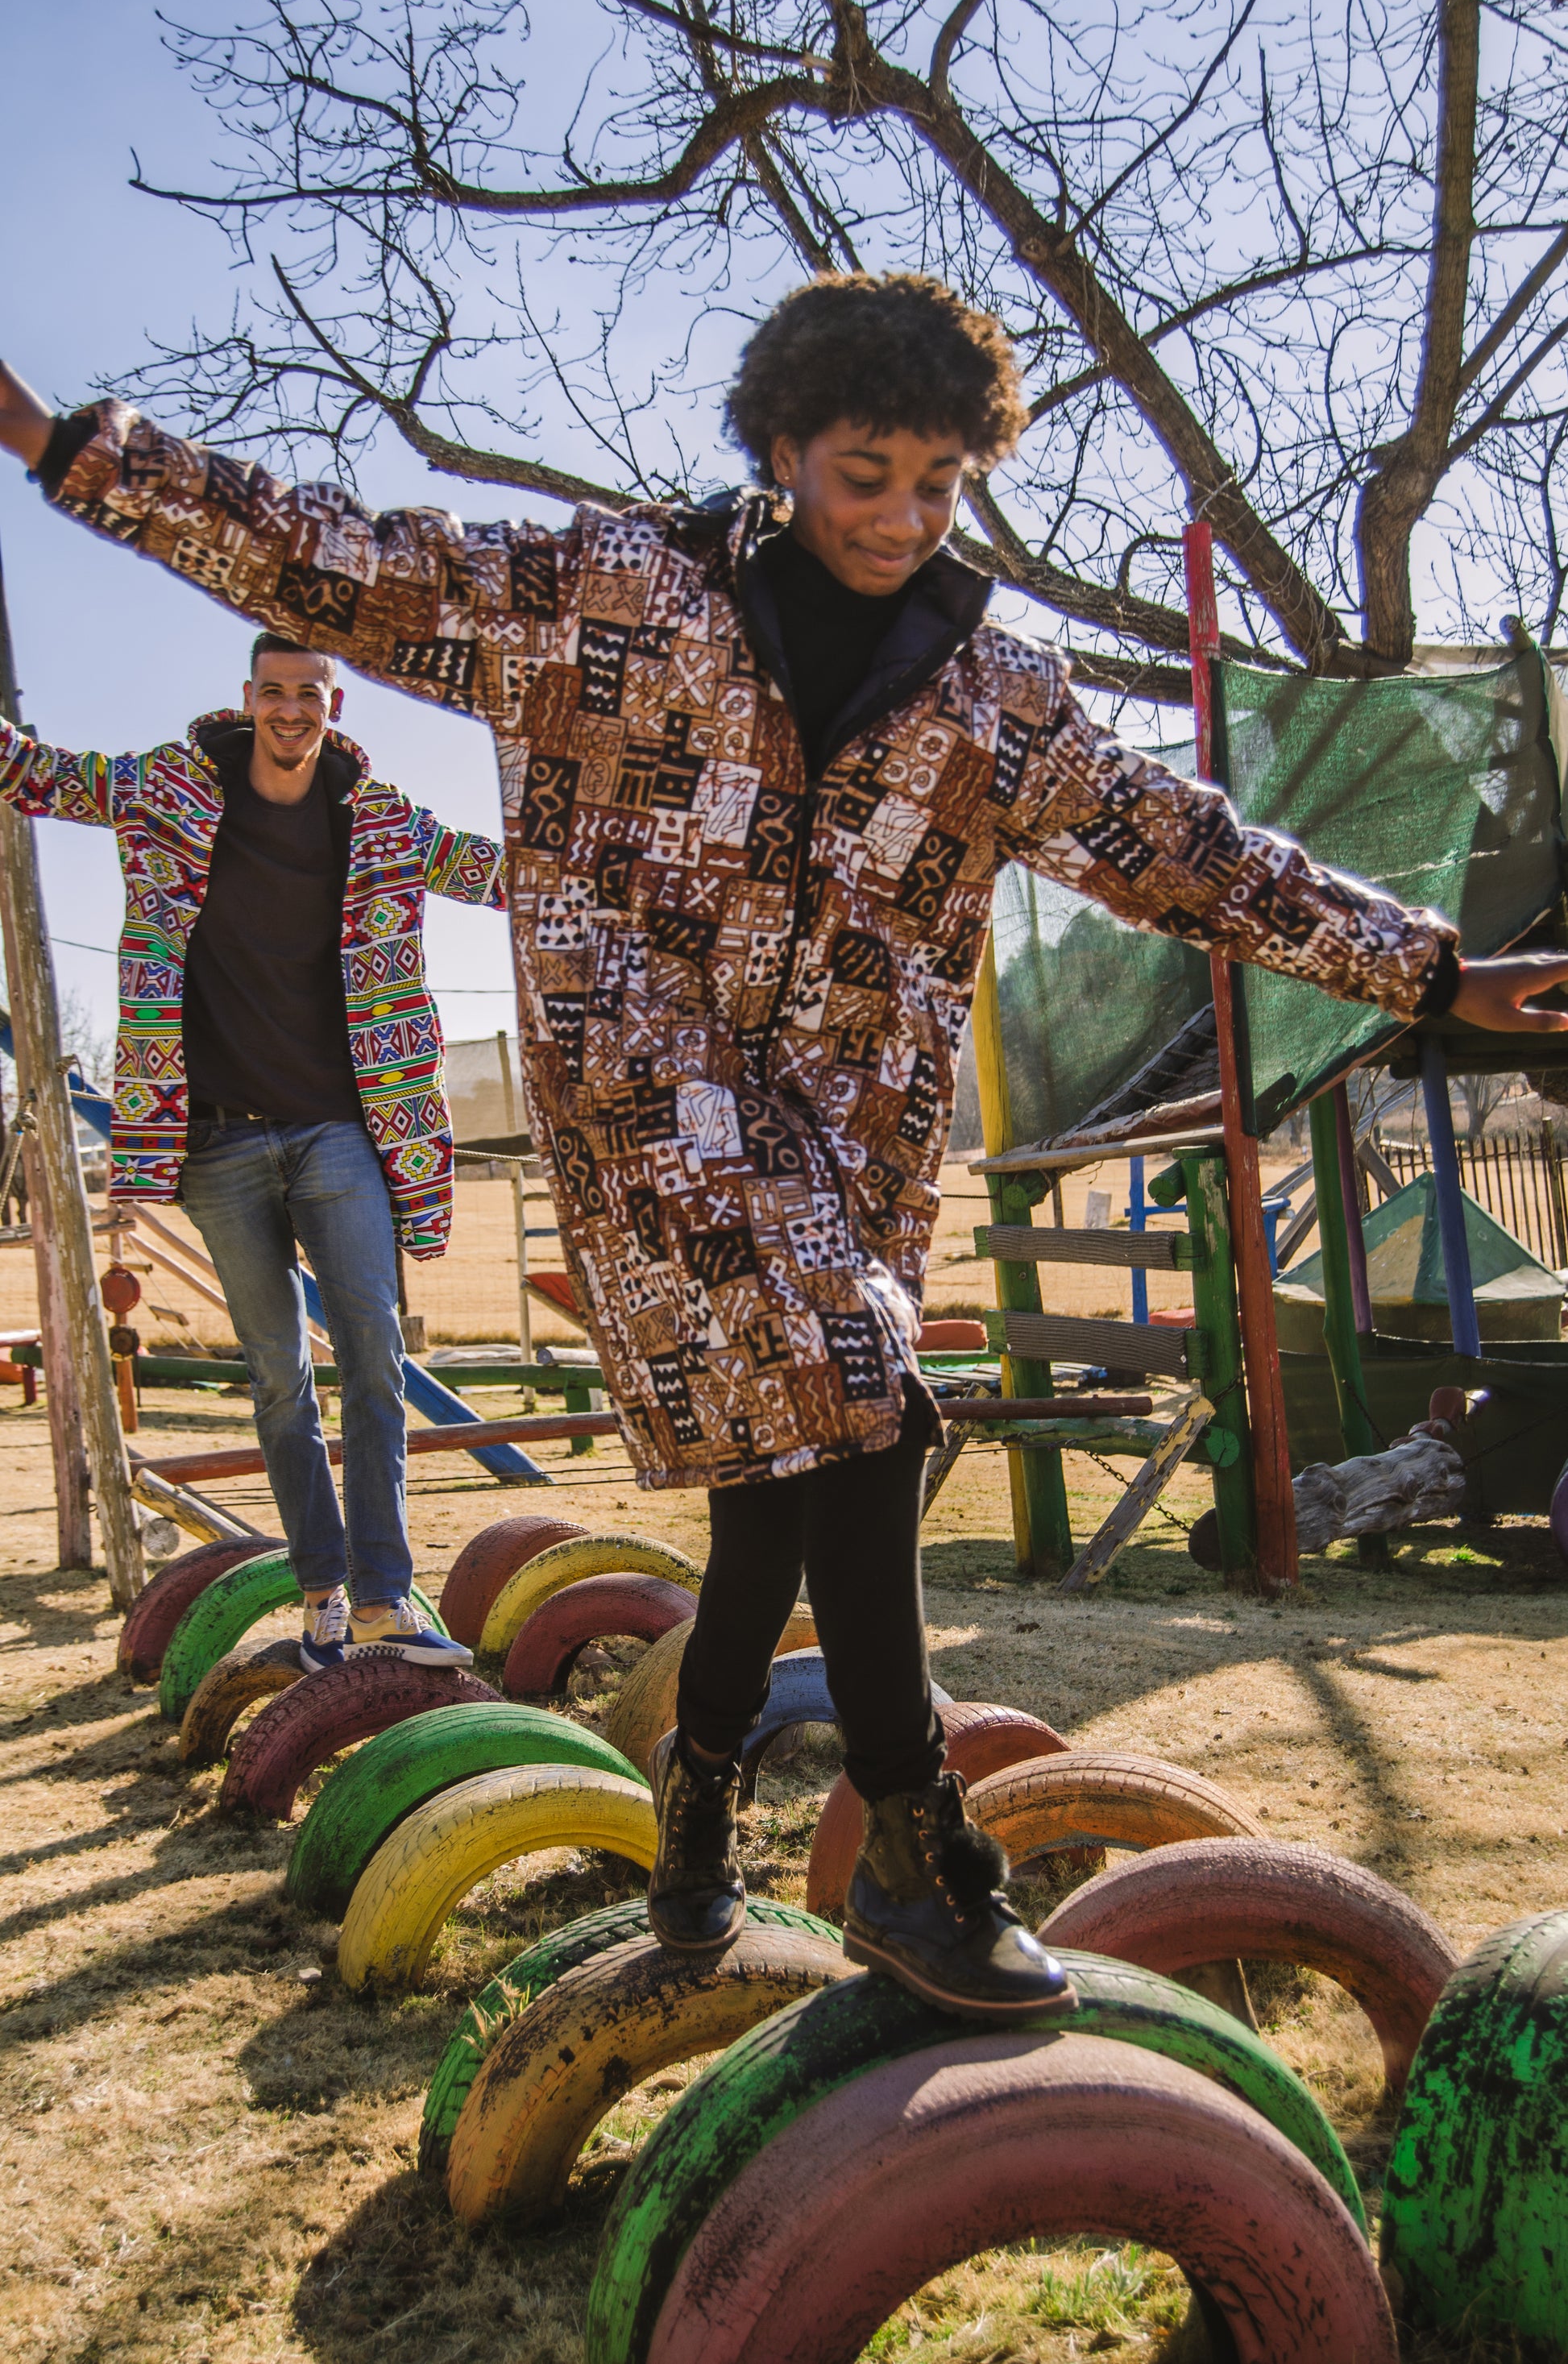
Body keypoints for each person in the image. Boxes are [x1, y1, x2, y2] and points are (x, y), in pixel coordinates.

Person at [2, 275, 1564, 2019]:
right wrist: (62, 446)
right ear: (781, 451)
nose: (900, 518)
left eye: (938, 484)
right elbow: (338, 563)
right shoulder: (615, 600)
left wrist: (1430, 970)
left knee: (786, 1484)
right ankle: (910, 1834)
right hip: (651, 1093)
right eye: (862, 475)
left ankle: (693, 1806)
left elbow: (1179, 845)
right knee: (864, 1386)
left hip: (854, 1138)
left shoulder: (991, 692)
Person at [0, 629, 503, 1676]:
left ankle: (383, 1597)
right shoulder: (167, 791)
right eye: (274, 691)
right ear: (247, 697)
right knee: (278, 1374)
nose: (290, 709)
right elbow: (35, 774)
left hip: (339, 1131)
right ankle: (322, 1598)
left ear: (334, 705)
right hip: (218, 1143)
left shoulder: (381, 821)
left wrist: (630, 856)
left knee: (374, 1354)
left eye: (308, 693)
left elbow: (499, 873)